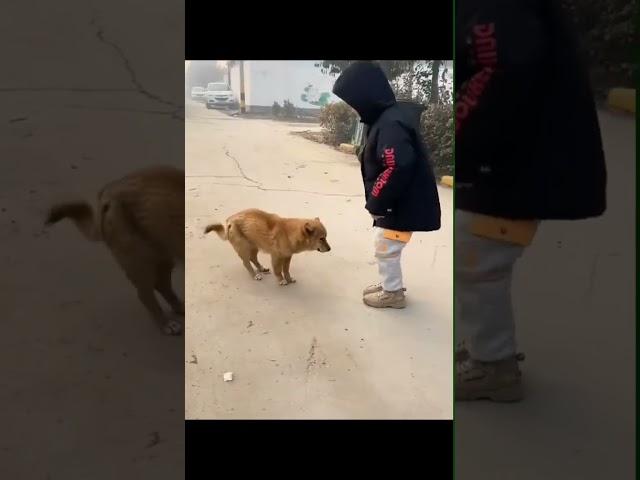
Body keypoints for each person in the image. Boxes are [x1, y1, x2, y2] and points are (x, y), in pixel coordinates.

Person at [455, 0, 607, 401]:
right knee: (474, 257)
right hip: (510, 156)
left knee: (478, 260)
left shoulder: (498, 7)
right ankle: (482, 350)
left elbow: (500, 71)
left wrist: (461, 133)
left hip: (512, 162)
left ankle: (493, 365)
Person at [332, 61, 441, 309]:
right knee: (386, 244)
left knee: (385, 246)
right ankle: (389, 284)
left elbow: (397, 166)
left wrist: (377, 201)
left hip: (400, 203)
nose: (352, 108)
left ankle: (393, 293)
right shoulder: (385, 118)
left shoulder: (390, 123)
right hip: (397, 202)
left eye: (353, 101)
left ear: (365, 95)